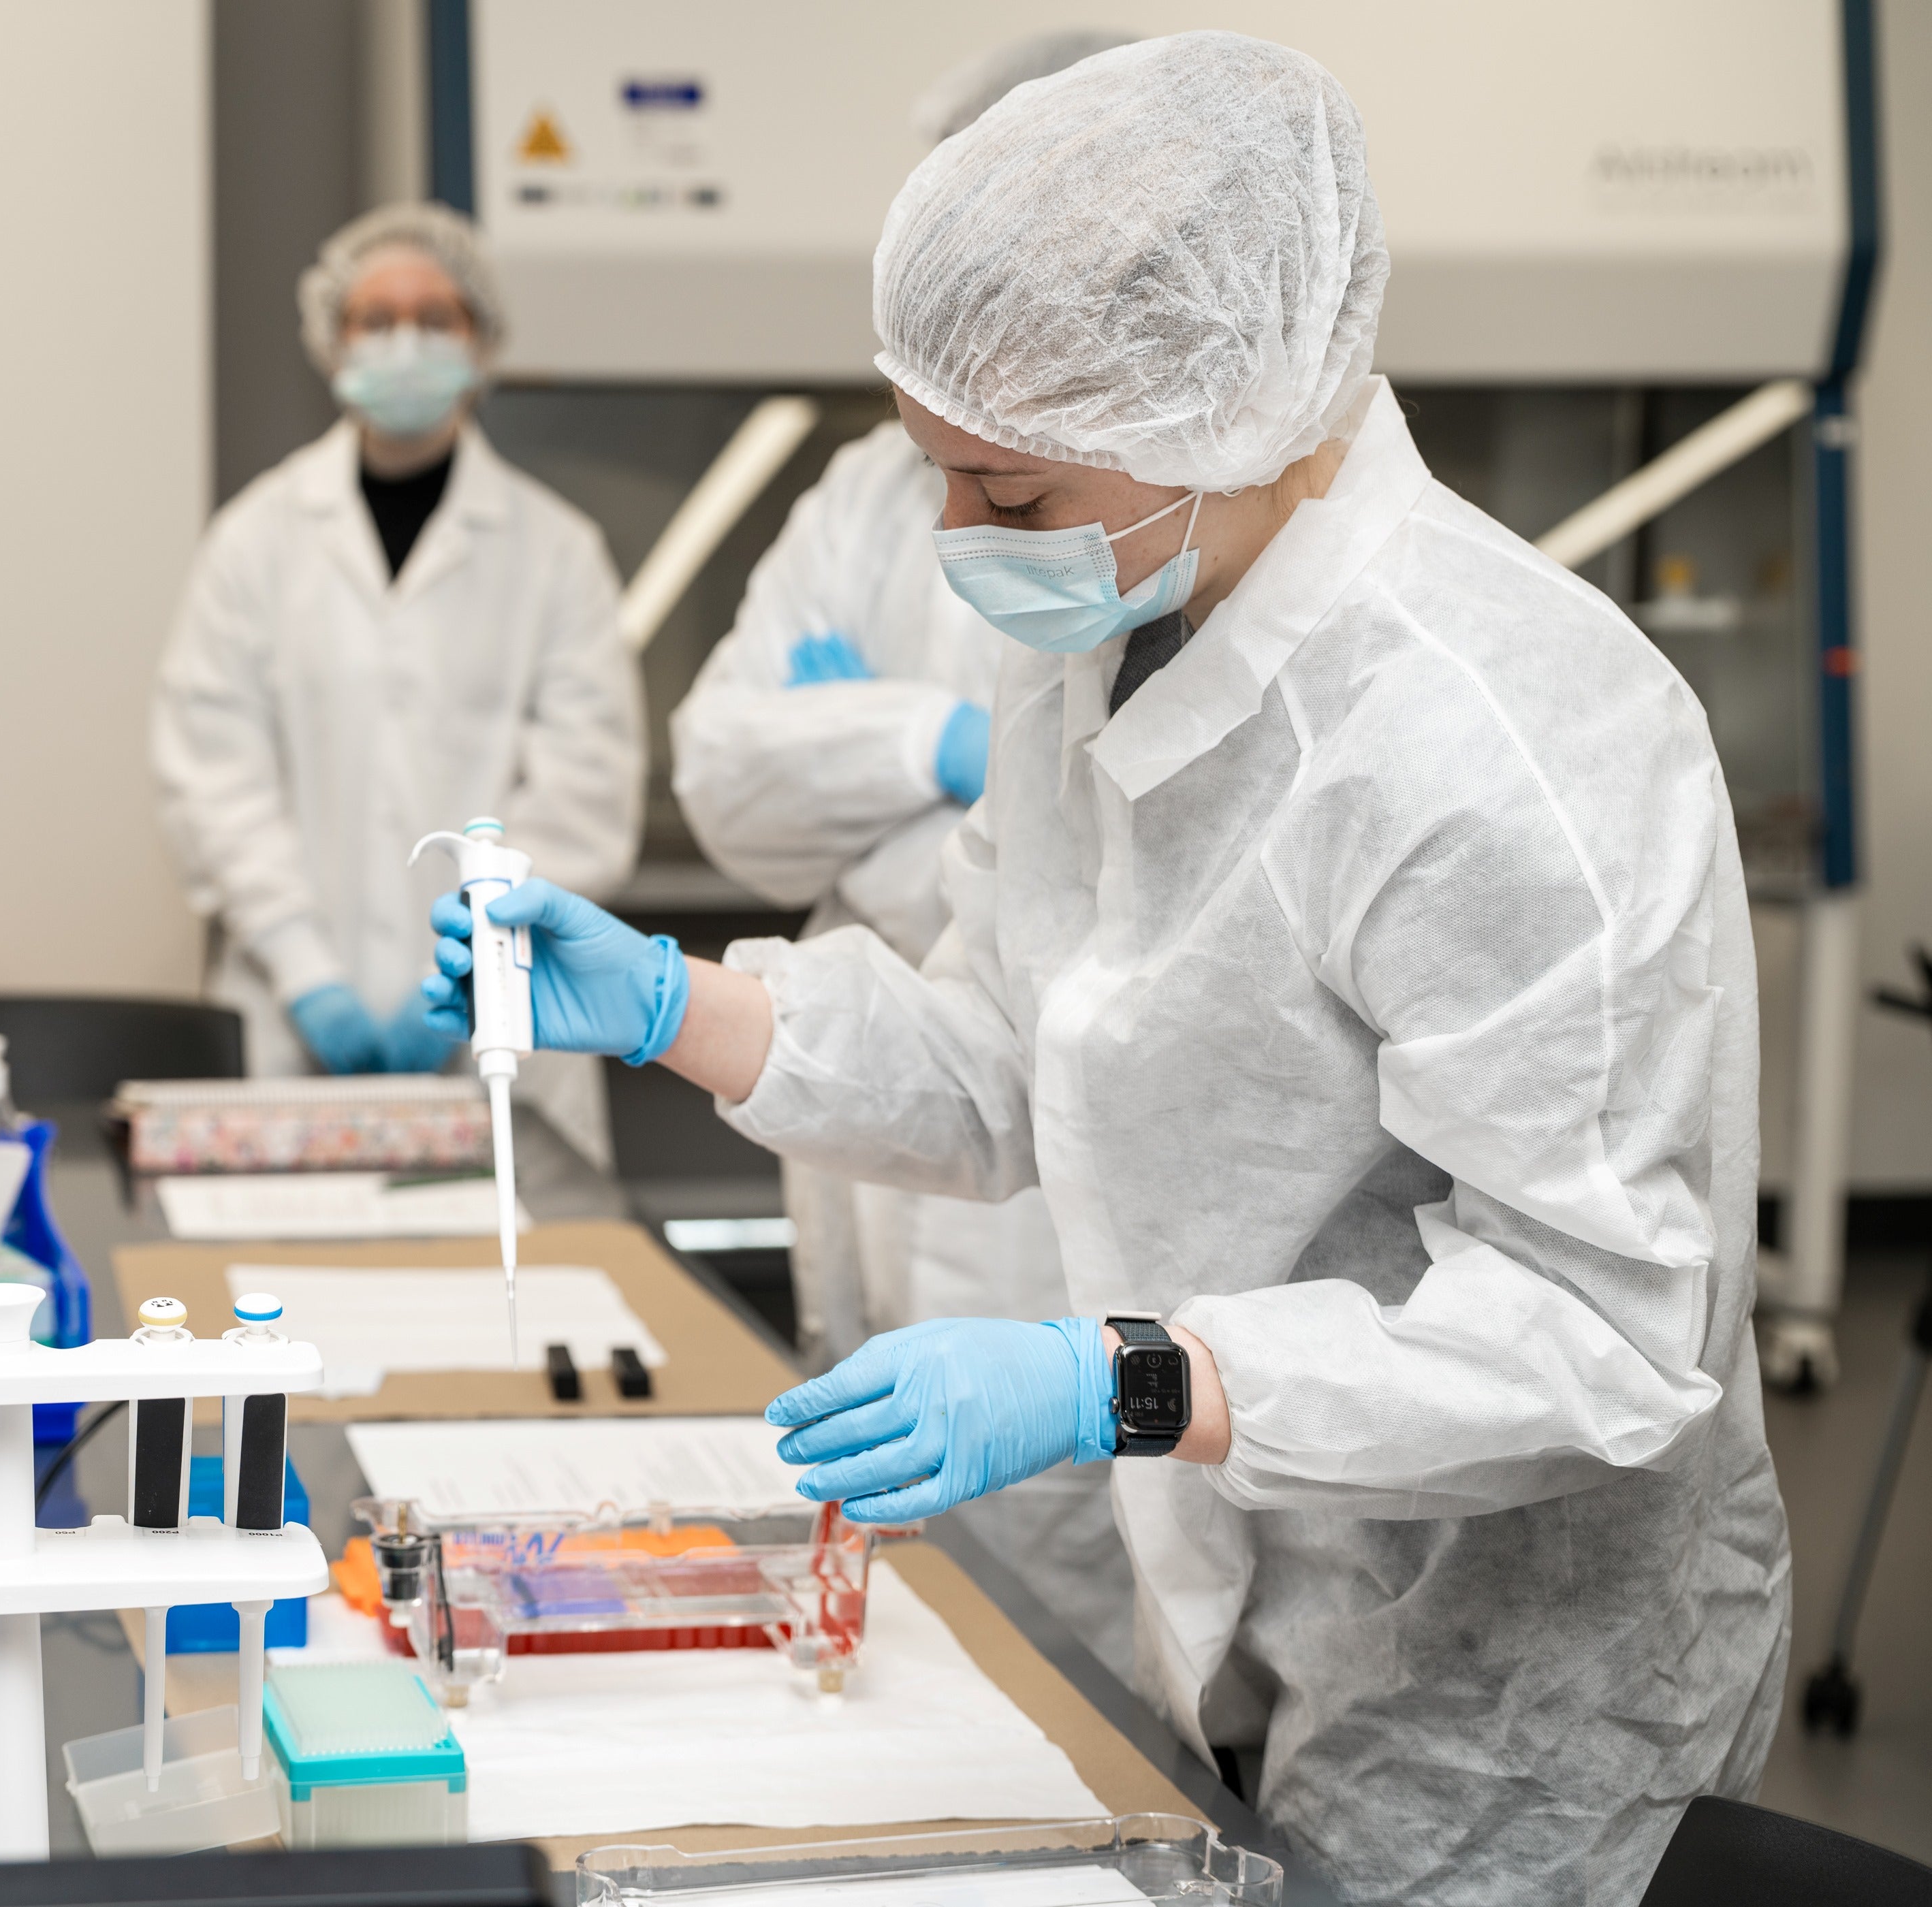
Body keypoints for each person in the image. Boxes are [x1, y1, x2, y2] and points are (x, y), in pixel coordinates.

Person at [425, 35, 1786, 1906]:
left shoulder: (1499, 741)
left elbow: (1601, 1335)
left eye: (1007, 493)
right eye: (942, 477)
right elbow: (1017, 1040)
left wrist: (1124, 1382)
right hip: (1240, 1588)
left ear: (1222, 412)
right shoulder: (1110, 629)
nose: (955, 545)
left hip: (1507, 1690)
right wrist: (684, 1005)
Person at [667, 29, 1135, 1683]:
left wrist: (847, 742)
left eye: (1003, 497)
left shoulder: (1175, 544)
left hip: (1065, 1161)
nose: (966, 537)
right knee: (872, 1505)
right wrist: (918, 749)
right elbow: (725, 771)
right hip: (888, 1061)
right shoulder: (872, 496)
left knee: (1063, 1577)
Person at [153, 202, 642, 1162]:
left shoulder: (556, 553)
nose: (404, 341)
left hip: (502, 1022)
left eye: (436, 317)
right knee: (284, 1299)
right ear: (332, 342)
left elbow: (583, 791)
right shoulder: (256, 541)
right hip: (293, 1026)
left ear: (483, 340)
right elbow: (212, 774)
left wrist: (466, 978)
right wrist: (307, 974)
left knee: (508, 1283)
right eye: (376, 319)